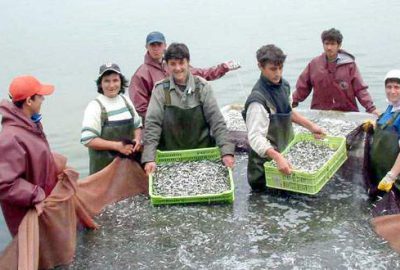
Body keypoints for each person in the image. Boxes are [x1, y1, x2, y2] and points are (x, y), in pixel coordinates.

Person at [142, 43, 235, 174]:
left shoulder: (203, 87)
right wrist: (149, 158)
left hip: (203, 156)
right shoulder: (160, 90)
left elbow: (216, 121)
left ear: (188, 63)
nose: (178, 68)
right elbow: (152, 125)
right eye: (173, 64)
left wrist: (226, 152)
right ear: (167, 65)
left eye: (181, 63)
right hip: (170, 158)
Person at [242, 44, 325, 192]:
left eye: (280, 68)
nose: (278, 73)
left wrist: (311, 126)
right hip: (265, 171)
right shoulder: (257, 100)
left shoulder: (284, 86)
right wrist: (277, 157)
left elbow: (289, 112)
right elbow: (255, 137)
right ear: (260, 66)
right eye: (273, 69)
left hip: (286, 157)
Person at [129, 31, 241, 120]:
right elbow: (141, 108)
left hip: (183, 118)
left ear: (165, 46)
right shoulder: (141, 75)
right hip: (160, 124)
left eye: (159, 44)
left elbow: (202, 73)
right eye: (152, 45)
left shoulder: (173, 64)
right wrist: (164, 120)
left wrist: (224, 67)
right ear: (146, 47)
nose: (156, 48)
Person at [0, 75, 57, 236]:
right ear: (29, 101)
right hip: (27, 215)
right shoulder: (10, 138)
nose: (43, 100)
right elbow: (5, 184)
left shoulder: (31, 124)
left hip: (42, 207)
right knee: (33, 256)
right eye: (40, 96)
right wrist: (36, 195)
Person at [292, 28, 379, 116]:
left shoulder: (350, 65)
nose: (329, 47)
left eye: (333, 44)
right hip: (320, 113)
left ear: (339, 45)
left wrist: (371, 108)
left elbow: (360, 89)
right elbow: (302, 87)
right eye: (326, 44)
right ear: (323, 45)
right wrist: (292, 102)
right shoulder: (314, 64)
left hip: (347, 113)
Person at [81, 63, 143, 174]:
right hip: (103, 172)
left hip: (128, 168)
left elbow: (137, 126)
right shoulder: (95, 106)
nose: (111, 85)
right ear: (100, 84)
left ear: (121, 82)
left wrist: (137, 139)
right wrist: (117, 146)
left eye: (115, 80)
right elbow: (87, 140)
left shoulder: (126, 101)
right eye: (107, 81)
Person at [368, 70, 400, 194]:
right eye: (389, 87)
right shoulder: (391, 107)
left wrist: (391, 176)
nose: (392, 91)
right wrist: (374, 127)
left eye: (397, 87)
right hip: (380, 172)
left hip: (394, 180)